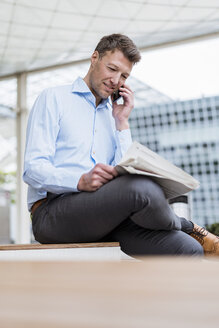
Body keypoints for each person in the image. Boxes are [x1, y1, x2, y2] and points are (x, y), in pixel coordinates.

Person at [23, 33, 219, 256]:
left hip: (105, 214)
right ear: (94, 57)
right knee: (141, 189)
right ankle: (187, 225)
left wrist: (122, 122)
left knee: (188, 248)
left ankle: (187, 243)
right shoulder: (53, 98)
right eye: (112, 69)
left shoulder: (114, 115)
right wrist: (79, 181)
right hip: (53, 214)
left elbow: (122, 172)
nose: (116, 80)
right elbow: (33, 170)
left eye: (124, 76)